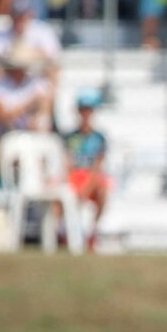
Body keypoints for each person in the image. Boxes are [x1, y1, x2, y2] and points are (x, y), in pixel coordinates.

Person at [60, 89, 109, 251]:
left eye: (89, 109)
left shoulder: (99, 138)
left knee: (102, 189)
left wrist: (86, 188)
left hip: (90, 178)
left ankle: (92, 232)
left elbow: (97, 166)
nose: (86, 113)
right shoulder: (69, 137)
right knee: (58, 193)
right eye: (83, 109)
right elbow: (66, 163)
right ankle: (61, 232)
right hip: (73, 176)